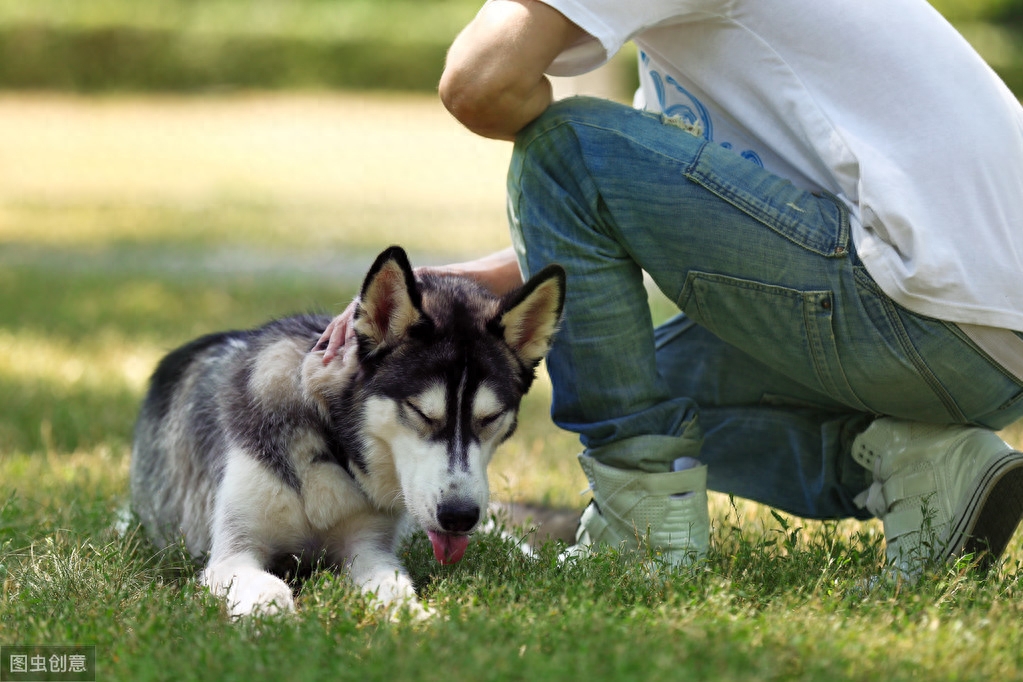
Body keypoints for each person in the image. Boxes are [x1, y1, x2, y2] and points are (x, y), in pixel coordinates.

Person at [321, 0, 1023, 576]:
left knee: (562, 146)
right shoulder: (689, 48)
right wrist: (452, 281)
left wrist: (549, 129)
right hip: (979, 340)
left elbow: (479, 83)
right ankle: (932, 469)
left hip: (924, 303)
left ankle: (643, 539)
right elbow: (636, 212)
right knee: (644, 375)